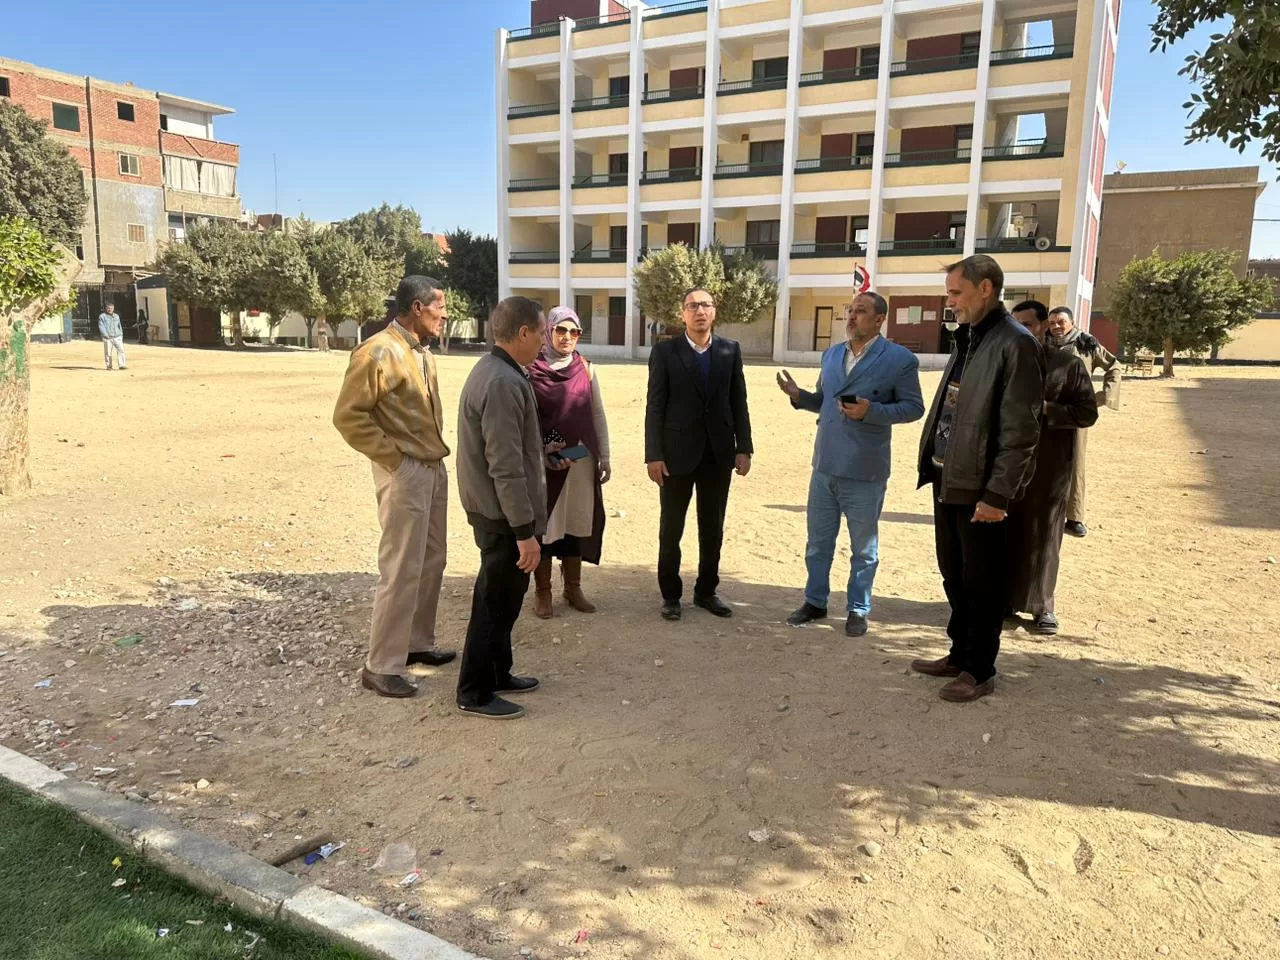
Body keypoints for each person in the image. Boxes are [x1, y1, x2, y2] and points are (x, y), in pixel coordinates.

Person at [913, 255, 1045, 702]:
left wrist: (998, 495)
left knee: (982, 582)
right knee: (954, 573)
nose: (949, 302)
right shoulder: (967, 337)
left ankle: (980, 669)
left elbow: (1021, 432)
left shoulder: (1016, 343)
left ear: (985, 289)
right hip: (948, 477)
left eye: (956, 293)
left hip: (982, 490)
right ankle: (959, 653)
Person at [332, 276, 456, 699]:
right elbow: (349, 416)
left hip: (432, 467)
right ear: (418, 308)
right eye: (440, 308)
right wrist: (395, 461)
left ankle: (417, 643)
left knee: (432, 560)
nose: (445, 315)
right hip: (406, 471)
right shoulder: (378, 351)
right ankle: (381, 665)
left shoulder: (421, 352)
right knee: (402, 566)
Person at [776, 291, 924, 637]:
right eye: (851, 310)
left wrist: (872, 411)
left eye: (861, 311)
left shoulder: (900, 360)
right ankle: (815, 601)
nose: (852, 316)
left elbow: (914, 407)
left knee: (863, 548)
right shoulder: (831, 355)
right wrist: (800, 397)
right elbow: (826, 402)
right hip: (825, 464)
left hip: (864, 469)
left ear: (879, 320)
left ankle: (858, 608)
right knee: (817, 543)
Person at [455, 296, 562, 720]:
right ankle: (475, 692)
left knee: (504, 600)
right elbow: (504, 466)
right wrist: (524, 532)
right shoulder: (501, 381)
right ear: (523, 333)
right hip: (503, 516)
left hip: (498, 510)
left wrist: (542, 451)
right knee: (495, 604)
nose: (544, 342)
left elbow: (512, 447)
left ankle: (498, 673)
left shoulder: (498, 370)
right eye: (541, 333)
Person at [645, 287, 753, 621]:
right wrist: (653, 454)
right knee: (671, 529)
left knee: (712, 528)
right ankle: (670, 595)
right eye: (692, 306)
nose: (699, 311)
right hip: (675, 456)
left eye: (705, 305)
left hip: (718, 454)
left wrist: (744, 447)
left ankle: (706, 591)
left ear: (714, 311)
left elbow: (738, 401)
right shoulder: (665, 352)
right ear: (683, 314)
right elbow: (655, 405)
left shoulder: (730, 350)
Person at [1007, 301, 1099, 634]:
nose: (1021, 331)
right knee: (1006, 534)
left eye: (1028, 324)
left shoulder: (1068, 365)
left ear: (1043, 326)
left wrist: (1047, 409)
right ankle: (1005, 600)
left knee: (1045, 536)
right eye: (1015, 325)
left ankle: (1042, 606)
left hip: (1050, 465)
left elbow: (1087, 413)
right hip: (1007, 465)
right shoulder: (1001, 364)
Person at [526, 306, 612, 619]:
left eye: (574, 331)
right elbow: (528, 418)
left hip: (579, 457)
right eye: (560, 330)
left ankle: (573, 588)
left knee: (575, 521)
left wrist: (605, 455)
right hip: (546, 460)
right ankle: (543, 591)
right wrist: (543, 452)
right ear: (548, 331)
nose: (567, 337)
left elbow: (596, 412)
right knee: (548, 523)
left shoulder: (585, 368)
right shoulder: (531, 370)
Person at [1047, 305, 1120, 538]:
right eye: (1052, 323)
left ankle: (1074, 516)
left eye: (1061, 322)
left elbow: (1114, 366)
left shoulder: (1086, 344)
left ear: (1072, 323)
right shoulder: (1043, 343)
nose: (1056, 327)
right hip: (1047, 411)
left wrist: (1103, 396)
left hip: (1075, 413)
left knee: (1075, 462)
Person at [98, 303, 126, 370]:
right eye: (108, 308)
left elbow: (119, 325)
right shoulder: (102, 316)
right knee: (108, 352)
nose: (110, 309)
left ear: (113, 309)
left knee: (121, 350)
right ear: (106, 308)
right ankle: (109, 366)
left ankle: (122, 365)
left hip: (117, 336)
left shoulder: (116, 316)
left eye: (111, 308)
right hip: (108, 338)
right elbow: (101, 326)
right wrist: (105, 335)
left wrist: (121, 334)